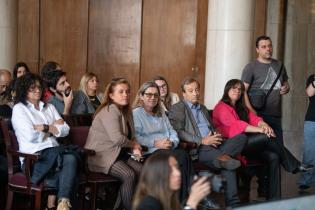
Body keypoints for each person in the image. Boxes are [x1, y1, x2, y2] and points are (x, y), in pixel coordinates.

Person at [213, 79, 313, 199]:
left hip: (246, 145)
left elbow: (254, 118)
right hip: (233, 146)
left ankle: (274, 199)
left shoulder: (241, 108)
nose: (237, 91)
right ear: (227, 90)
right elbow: (237, 125)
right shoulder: (221, 107)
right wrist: (261, 130)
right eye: (234, 88)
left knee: (273, 157)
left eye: (240, 89)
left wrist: (263, 125)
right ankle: (293, 165)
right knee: (266, 136)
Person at [169, 77, 247, 208]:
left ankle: (223, 158)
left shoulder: (203, 108)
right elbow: (179, 131)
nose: (195, 93)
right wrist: (203, 140)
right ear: (183, 93)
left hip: (216, 144)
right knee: (229, 165)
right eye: (191, 90)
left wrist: (216, 136)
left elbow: (212, 127)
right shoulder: (178, 108)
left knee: (241, 138)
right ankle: (233, 205)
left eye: (197, 90)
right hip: (199, 148)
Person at [11, 73, 79, 210]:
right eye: (32, 88)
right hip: (35, 159)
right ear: (24, 90)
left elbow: (66, 129)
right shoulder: (19, 109)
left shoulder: (49, 108)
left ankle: (61, 203)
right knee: (72, 161)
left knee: (70, 157)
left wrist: (45, 127)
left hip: (56, 154)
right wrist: (54, 127)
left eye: (39, 87)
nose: (37, 90)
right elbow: (30, 136)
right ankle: (60, 203)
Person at [84, 78, 142, 210]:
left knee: (143, 171)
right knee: (129, 175)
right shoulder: (110, 110)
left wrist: (135, 147)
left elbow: (131, 136)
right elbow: (117, 139)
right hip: (100, 156)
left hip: (117, 154)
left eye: (127, 91)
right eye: (120, 92)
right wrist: (134, 145)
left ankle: (119, 207)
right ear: (111, 95)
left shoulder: (126, 111)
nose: (125, 95)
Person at [241, 35, 290, 146]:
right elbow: (242, 91)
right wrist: (251, 110)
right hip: (258, 115)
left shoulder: (280, 65)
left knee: (278, 146)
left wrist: (286, 87)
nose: (268, 49)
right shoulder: (251, 67)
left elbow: (285, 83)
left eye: (269, 46)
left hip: (276, 114)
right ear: (257, 50)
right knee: (265, 149)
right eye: (264, 47)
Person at [132, 150, 210, 210]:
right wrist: (191, 204)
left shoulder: (170, 197)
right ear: (158, 175)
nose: (178, 173)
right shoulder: (148, 204)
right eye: (170, 169)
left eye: (176, 167)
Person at [298, 74, 315, 190]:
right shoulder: (313, 78)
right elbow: (309, 93)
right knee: (309, 153)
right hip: (312, 120)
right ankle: (305, 181)